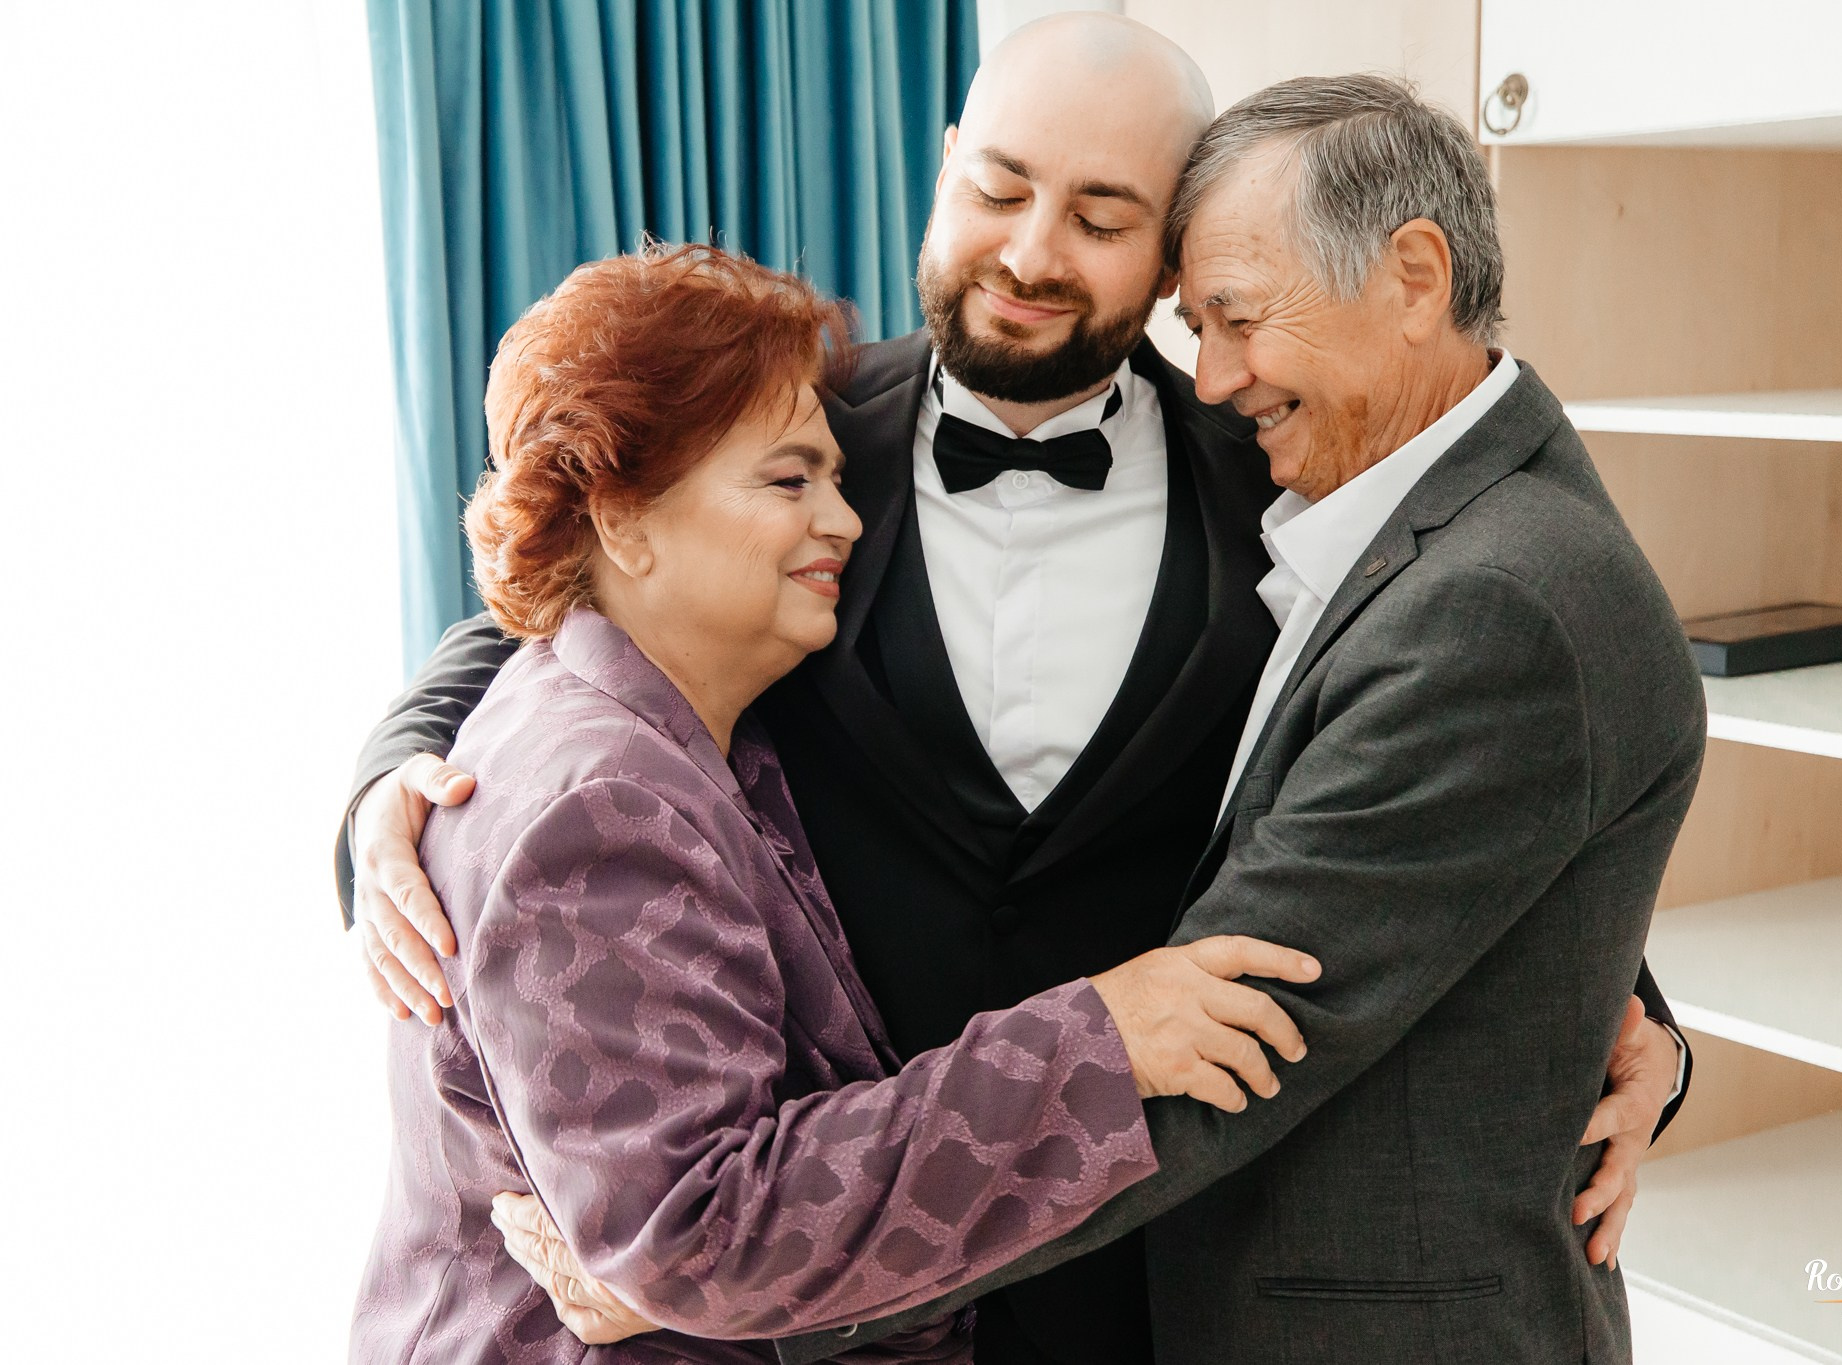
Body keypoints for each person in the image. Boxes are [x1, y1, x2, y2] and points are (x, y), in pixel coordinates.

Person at [339, 17, 1691, 1365]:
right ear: (941, 169)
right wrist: (386, 785)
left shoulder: (1285, 467)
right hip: (840, 1250)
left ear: (1172, 253)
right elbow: (562, 606)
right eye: (996, 189)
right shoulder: (794, 442)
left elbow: (1431, 773)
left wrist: (1623, 1009)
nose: (1032, 252)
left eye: (1102, 218)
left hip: (1141, 1270)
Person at [351, 241, 1323, 1365]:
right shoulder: (600, 801)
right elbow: (698, 1234)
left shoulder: (695, 728)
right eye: (787, 482)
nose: (845, 524)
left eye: (833, 478)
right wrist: (1101, 1044)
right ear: (620, 519)